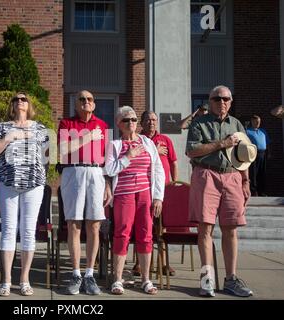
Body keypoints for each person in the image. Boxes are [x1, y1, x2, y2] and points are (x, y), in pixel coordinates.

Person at [186, 85, 256, 297]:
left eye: (226, 99)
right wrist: (222, 143)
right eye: (217, 99)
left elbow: (244, 157)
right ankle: (207, 279)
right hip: (206, 174)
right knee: (205, 228)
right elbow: (191, 150)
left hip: (233, 176)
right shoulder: (199, 123)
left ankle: (231, 279)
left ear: (231, 102)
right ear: (210, 101)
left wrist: (246, 182)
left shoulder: (236, 124)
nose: (222, 102)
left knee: (231, 228)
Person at [0, 92, 49, 297]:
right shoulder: (3, 127)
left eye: (24, 99)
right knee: (8, 230)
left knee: (29, 231)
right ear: (12, 105)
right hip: (8, 184)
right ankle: (6, 280)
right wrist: (9, 137)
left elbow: (51, 155)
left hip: (34, 185)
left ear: (29, 104)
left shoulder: (39, 128)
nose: (20, 102)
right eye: (16, 99)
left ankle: (24, 280)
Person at [105, 106, 165, 295]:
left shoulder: (147, 142)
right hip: (124, 194)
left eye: (133, 119)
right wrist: (128, 157)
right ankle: (117, 279)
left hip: (145, 194)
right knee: (122, 234)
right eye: (126, 120)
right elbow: (109, 170)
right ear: (118, 124)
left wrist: (158, 196)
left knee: (146, 235)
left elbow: (158, 170)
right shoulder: (114, 145)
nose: (130, 123)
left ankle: (146, 280)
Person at [58, 90, 112, 295]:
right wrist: (88, 137)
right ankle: (75, 273)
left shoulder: (103, 125)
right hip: (73, 172)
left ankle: (89, 274)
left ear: (94, 104)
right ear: (76, 104)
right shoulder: (66, 124)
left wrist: (107, 184)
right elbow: (62, 151)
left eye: (89, 99)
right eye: (82, 99)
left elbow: (106, 158)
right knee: (73, 224)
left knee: (94, 224)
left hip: (96, 173)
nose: (86, 102)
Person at [130, 111, 178, 277]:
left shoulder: (166, 140)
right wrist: (155, 151)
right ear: (142, 123)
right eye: (148, 120)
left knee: (161, 228)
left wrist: (174, 183)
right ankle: (138, 263)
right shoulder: (138, 140)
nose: (151, 122)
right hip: (142, 189)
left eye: (154, 120)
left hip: (161, 190)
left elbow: (173, 162)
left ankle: (163, 264)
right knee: (142, 225)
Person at [246, 115, 270, 196]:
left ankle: (262, 191)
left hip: (263, 154)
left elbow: (267, 143)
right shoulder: (247, 131)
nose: (258, 123)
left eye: (259, 122)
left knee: (262, 172)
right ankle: (254, 191)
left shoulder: (263, 131)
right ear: (252, 121)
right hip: (253, 154)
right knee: (253, 173)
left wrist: (269, 152)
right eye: (256, 121)